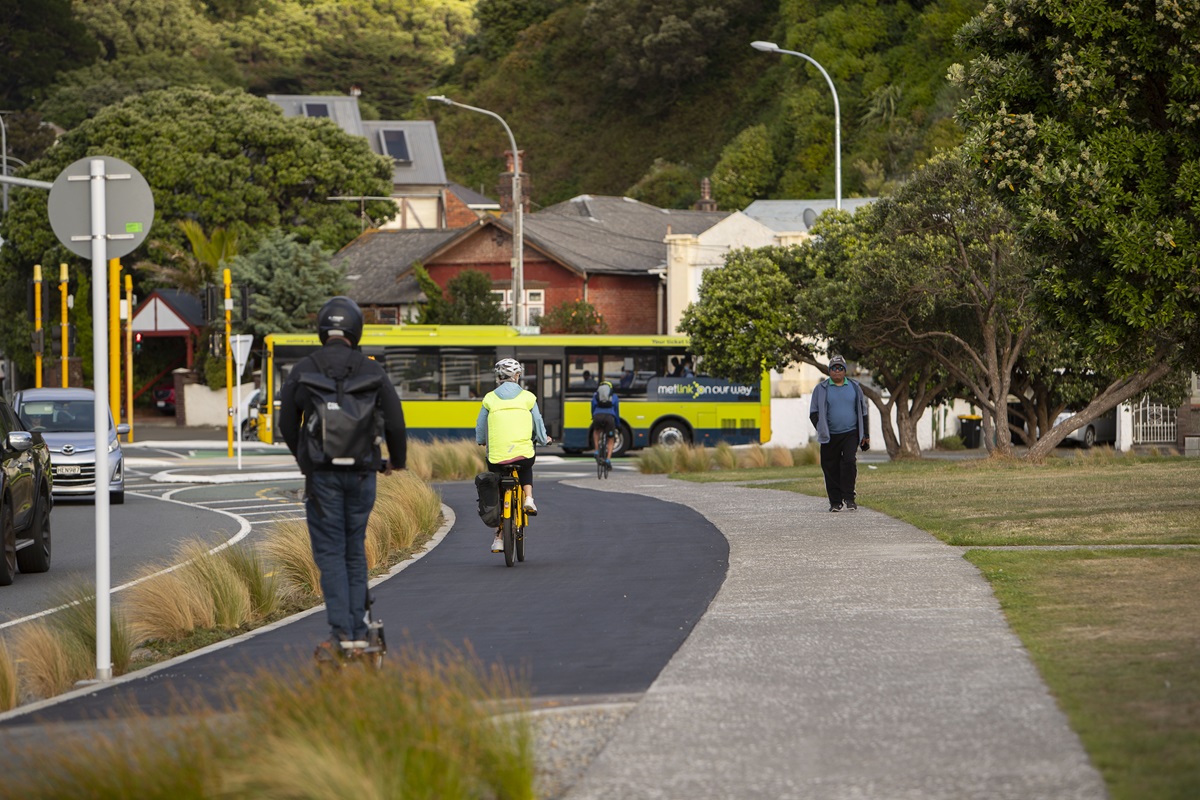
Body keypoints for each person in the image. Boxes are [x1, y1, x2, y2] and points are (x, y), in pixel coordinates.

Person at [278, 296, 407, 658]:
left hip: (322, 478)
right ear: (356, 329)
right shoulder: (372, 371)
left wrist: (306, 461)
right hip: (363, 474)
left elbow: (286, 424)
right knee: (354, 549)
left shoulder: (304, 369)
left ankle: (342, 633)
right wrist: (395, 461)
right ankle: (360, 627)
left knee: (331, 554)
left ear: (322, 329)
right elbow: (396, 423)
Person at [476, 358, 552, 553]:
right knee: (526, 464)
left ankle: (499, 537)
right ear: (517, 376)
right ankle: (528, 498)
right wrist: (544, 439)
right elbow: (538, 422)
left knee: (499, 486)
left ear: (499, 377)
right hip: (523, 454)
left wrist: (481, 440)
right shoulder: (528, 397)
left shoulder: (489, 398)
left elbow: (480, 425)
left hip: (496, 457)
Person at [808, 355, 869, 512]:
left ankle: (849, 497)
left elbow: (863, 411)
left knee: (849, 461)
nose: (837, 371)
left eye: (840, 368)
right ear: (829, 371)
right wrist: (821, 427)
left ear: (844, 371)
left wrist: (865, 435)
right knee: (830, 466)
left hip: (851, 432)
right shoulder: (821, 389)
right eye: (833, 368)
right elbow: (813, 412)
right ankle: (835, 501)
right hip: (829, 435)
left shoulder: (855, 387)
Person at [591, 379, 620, 466]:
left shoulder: (596, 395)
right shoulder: (614, 397)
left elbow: (592, 406)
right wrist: (618, 424)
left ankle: (596, 450)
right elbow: (616, 411)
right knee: (610, 439)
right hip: (609, 418)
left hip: (597, 416)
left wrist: (593, 416)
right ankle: (608, 459)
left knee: (596, 431)